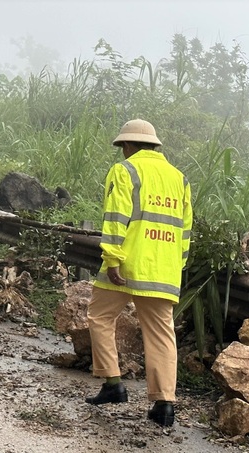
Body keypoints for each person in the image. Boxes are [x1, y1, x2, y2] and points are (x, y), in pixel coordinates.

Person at [84, 119, 193, 428]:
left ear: (128, 146)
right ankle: (164, 405)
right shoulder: (179, 179)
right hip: (164, 270)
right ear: (154, 146)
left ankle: (113, 383)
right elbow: (185, 231)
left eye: (123, 148)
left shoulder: (126, 171)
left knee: (99, 316)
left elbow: (116, 218)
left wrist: (113, 257)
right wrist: (176, 264)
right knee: (161, 334)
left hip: (126, 264)